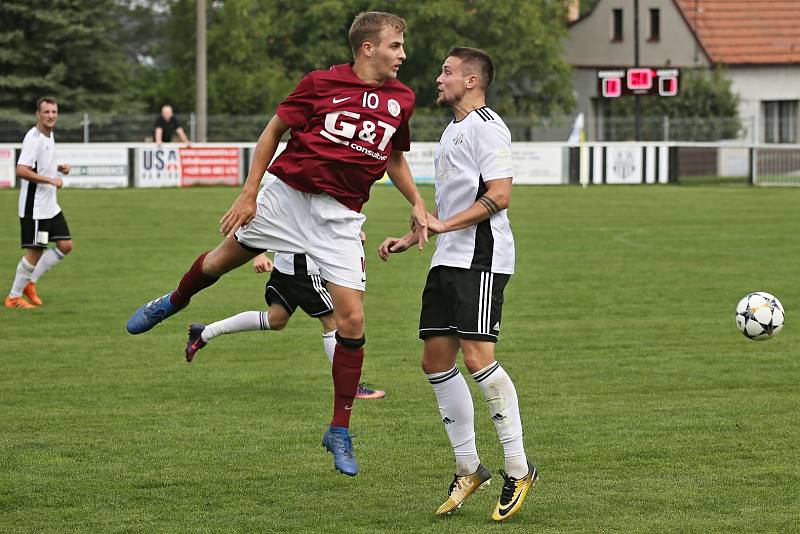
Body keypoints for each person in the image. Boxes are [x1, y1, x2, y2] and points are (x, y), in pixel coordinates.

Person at [127, 11, 427, 477]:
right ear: (368, 48)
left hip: (340, 218)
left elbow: (394, 157)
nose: (402, 55)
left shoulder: (402, 99)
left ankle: (339, 430)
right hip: (286, 197)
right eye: (395, 46)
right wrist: (249, 193)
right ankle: (173, 300)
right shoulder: (320, 84)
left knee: (351, 319)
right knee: (220, 262)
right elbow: (273, 131)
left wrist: (417, 203)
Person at [378, 47, 536, 521]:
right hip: (448, 259)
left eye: (447, 72)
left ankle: (518, 467)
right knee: (434, 360)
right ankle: (469, 467)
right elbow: (451, 206)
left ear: (471, 80)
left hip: (481, 258)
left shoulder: (488, 126)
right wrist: (414, 235)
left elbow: (500, 196)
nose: (438, 77)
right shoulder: (452, 131)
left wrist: (445, 227)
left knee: (477, 357)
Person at [185, 251, 386, 400]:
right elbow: (263, 212)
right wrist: (259, 253)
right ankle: (349, 386)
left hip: (287, 267)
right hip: (304, 267)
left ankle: (204, 333)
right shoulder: (298, 192)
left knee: (275, 319)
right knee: (333, 321)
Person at [5, 97, 73, 309]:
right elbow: (21, 169)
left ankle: (29, 283)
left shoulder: (48, 136)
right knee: (36, 250)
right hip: (35, 208)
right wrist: (51, 179)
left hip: (50, 206)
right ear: (38, 114)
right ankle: (14, 297)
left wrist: (58, 168)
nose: (51, 115)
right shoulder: (33, 138)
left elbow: (41, 166)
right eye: (46, 112)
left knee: (65, 245)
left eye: (54, 112)